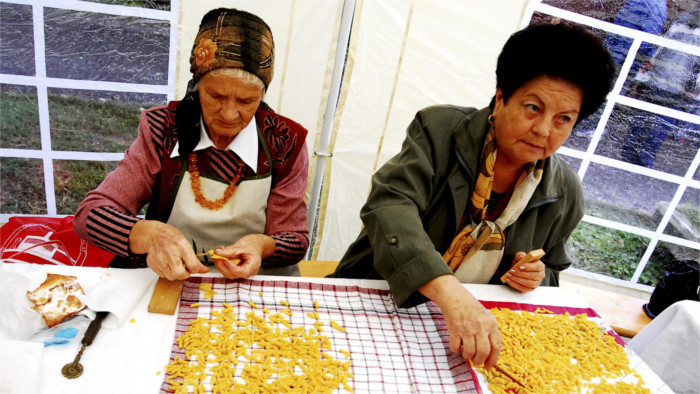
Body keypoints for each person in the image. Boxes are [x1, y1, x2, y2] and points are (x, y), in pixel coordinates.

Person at [329, 23, 615, 370]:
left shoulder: (565, 191)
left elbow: (553, 271)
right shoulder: (439, 130)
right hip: (381, 298)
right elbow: (390, 206)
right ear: (500, 97)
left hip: (466, 336)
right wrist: (452, 296)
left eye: (564, 119)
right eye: (533, 108)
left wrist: (535, 277)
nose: (543, 130)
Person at [74, 8, 309, 280]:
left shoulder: (285, 141)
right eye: (216, 96)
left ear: (262, 96)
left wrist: (261, 245)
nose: (229, 114)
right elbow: (89, 215)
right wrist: (150, 236)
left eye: (246, 101)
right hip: (171, 278)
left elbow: (295, 239)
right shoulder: (163, 128)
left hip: (252, 284)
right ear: (197, 86)